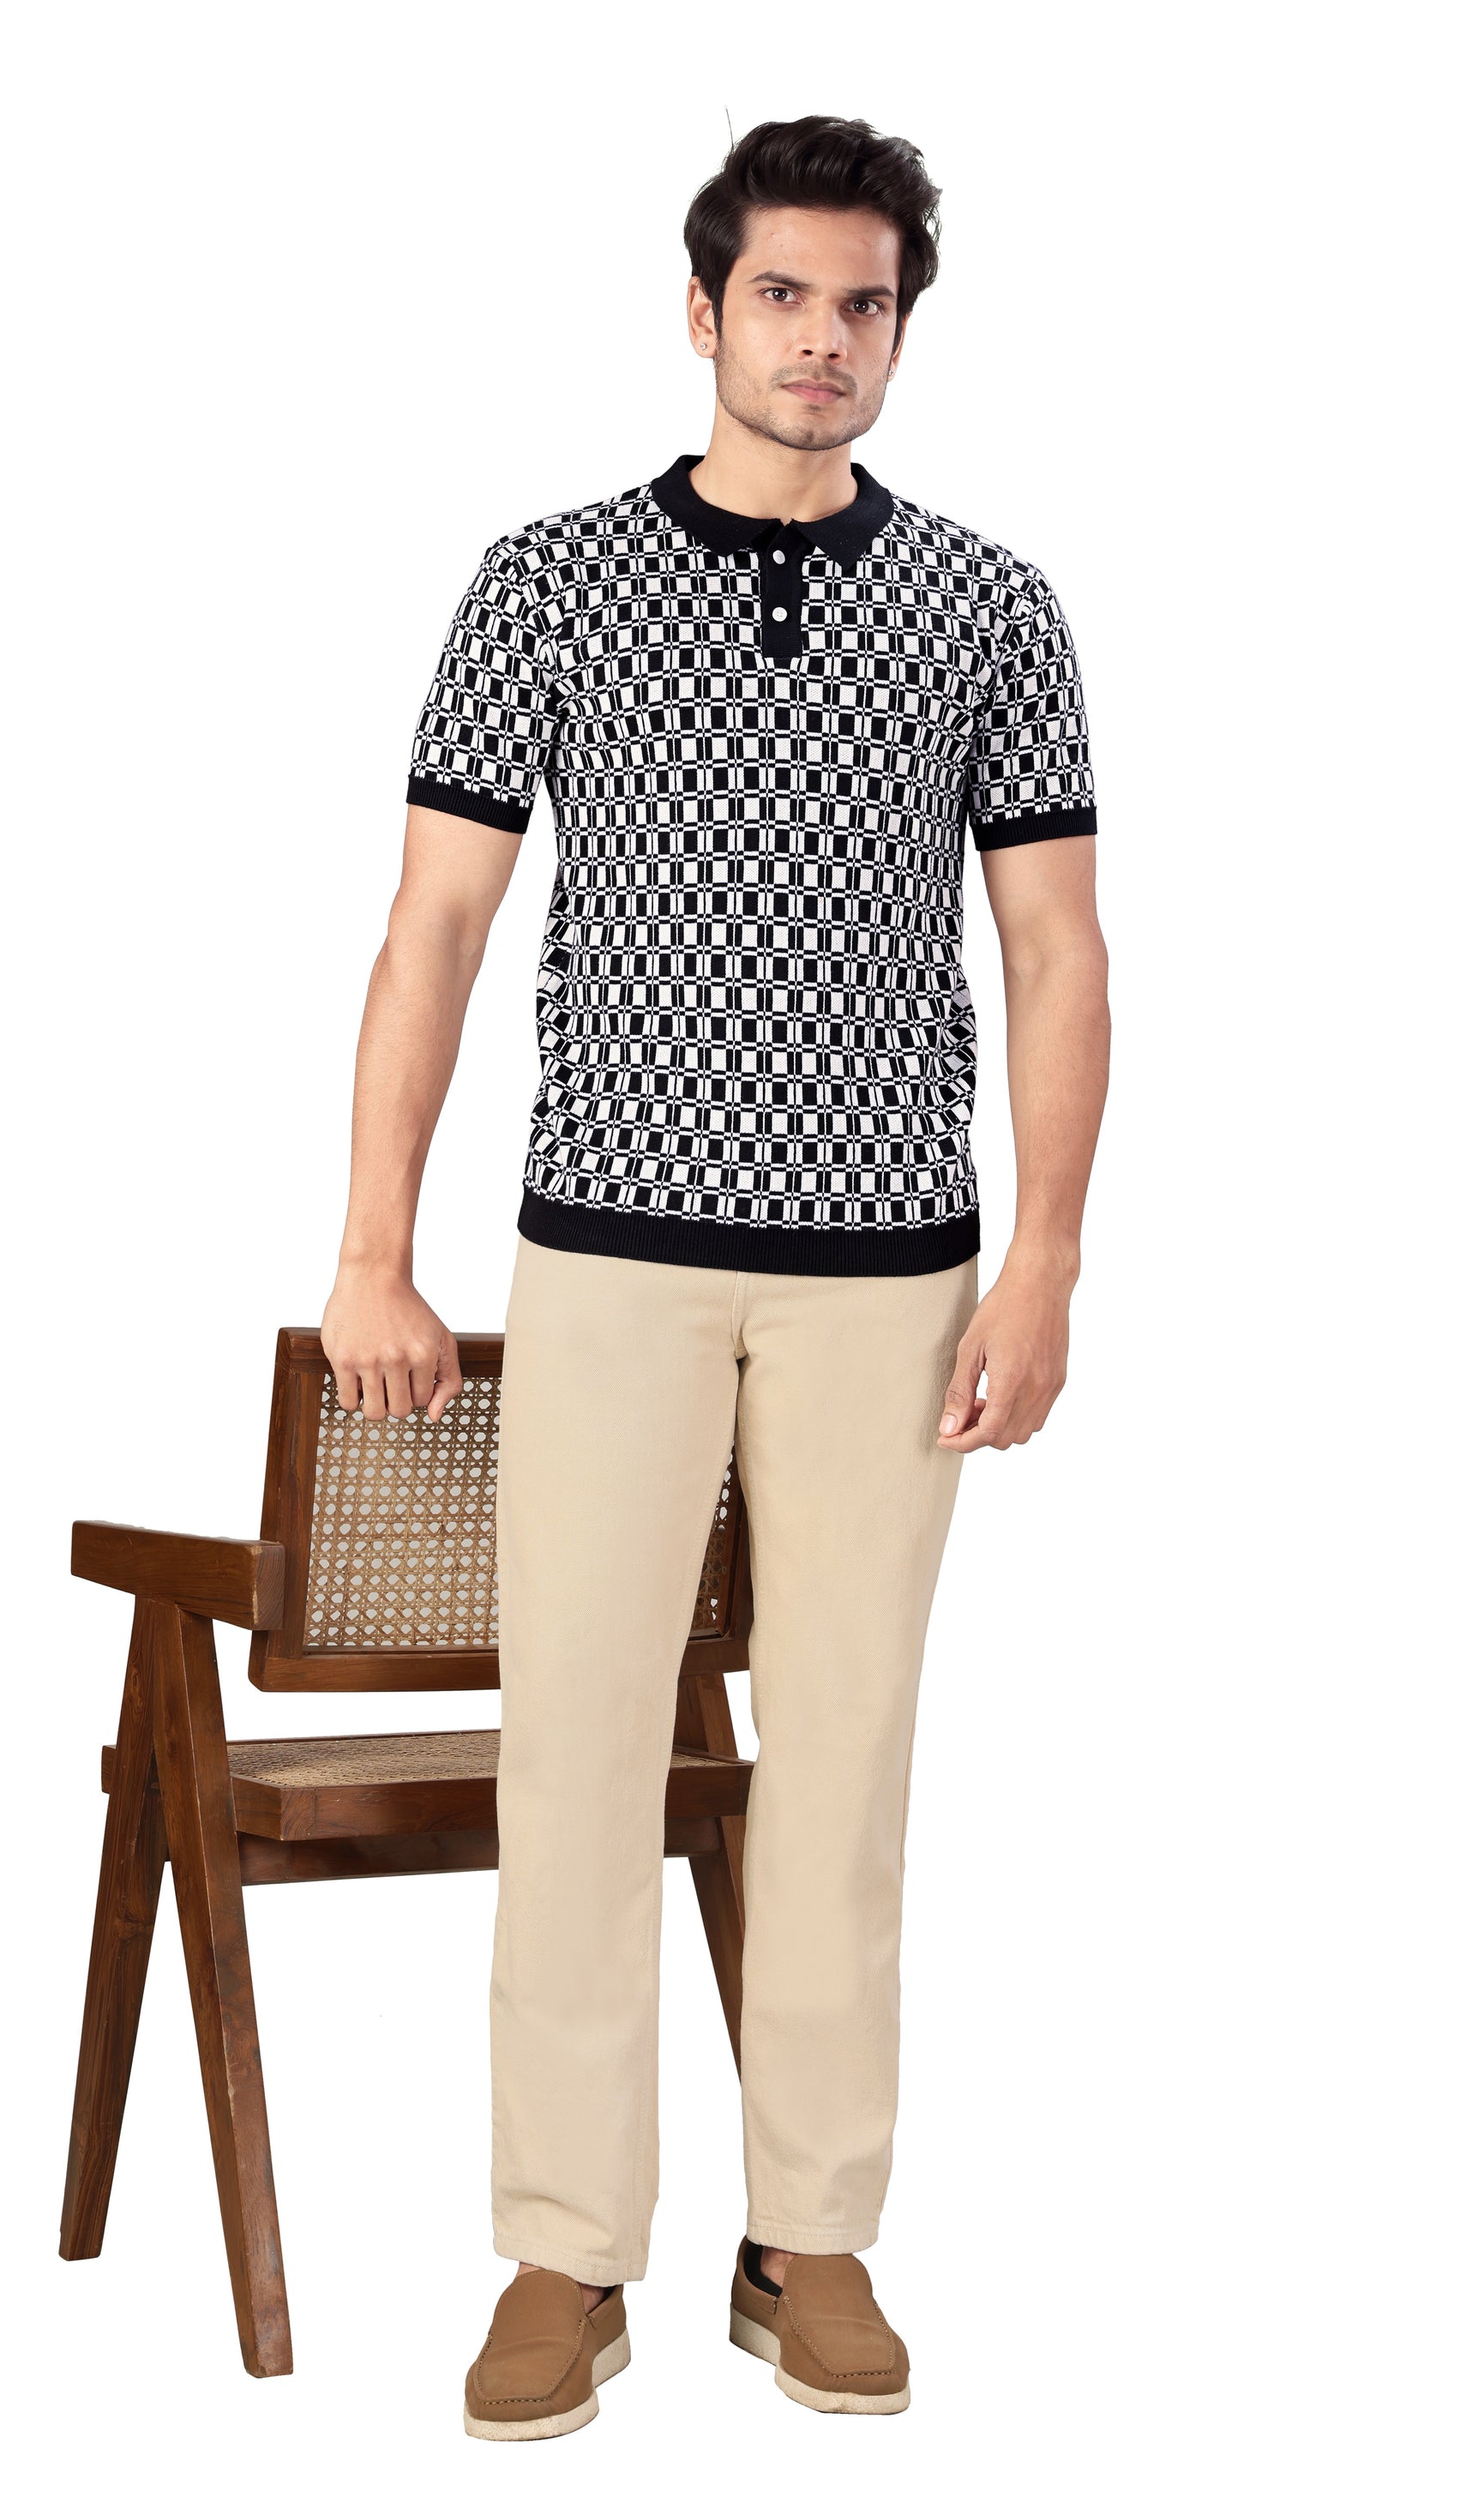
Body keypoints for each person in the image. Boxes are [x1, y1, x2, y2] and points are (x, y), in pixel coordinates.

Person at [321, 112, 1109, 2439]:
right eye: (783, 296)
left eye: (865, 305)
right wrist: (371, 1246)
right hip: (609, 1257)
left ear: (901, 331)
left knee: (845, 1754)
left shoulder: (991, 605)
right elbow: (436, 922)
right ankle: (565, 2253)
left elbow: (1055, 952)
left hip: (891, 1272)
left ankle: (812, 2237)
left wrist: (1047, 1261)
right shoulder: (545, 582)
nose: (823, 341)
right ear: (701, 311)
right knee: (577, 1742)